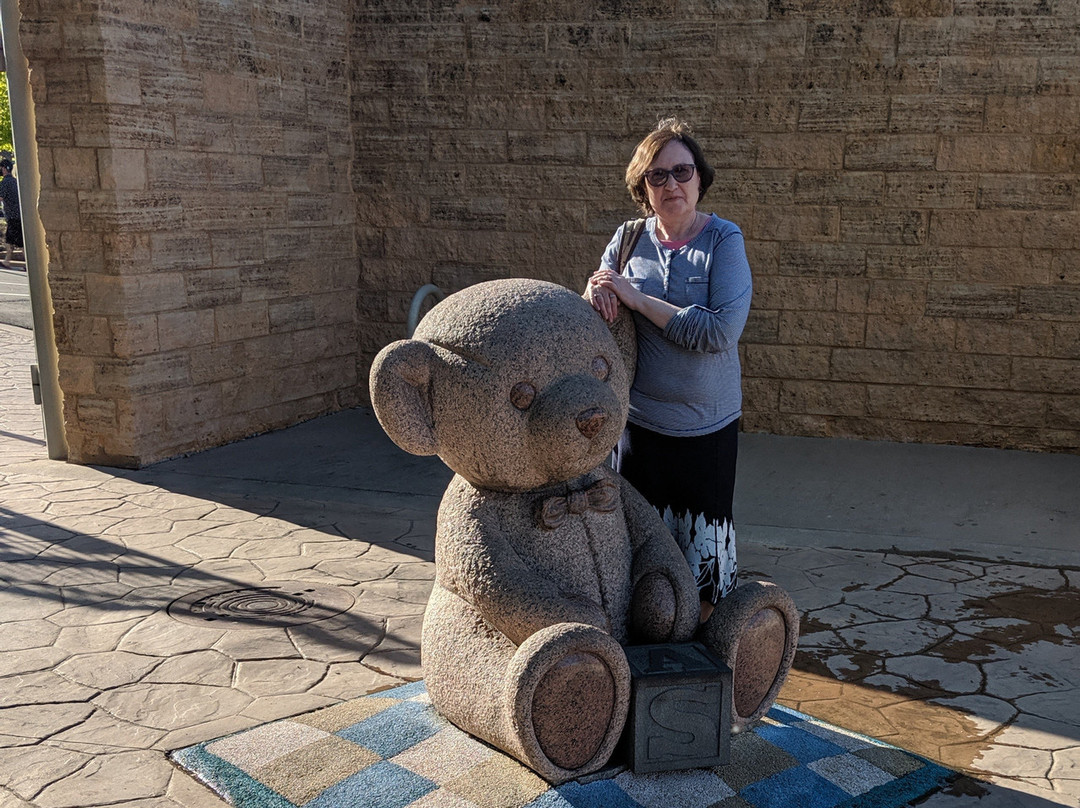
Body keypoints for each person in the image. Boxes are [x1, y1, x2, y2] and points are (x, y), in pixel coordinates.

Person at [585, 117, 752, 624]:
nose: (671, 184)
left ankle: (701, 663)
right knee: (639, 549)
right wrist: (596, 292)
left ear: (700, 179)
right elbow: (599, 307)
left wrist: (637, 298)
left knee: (702, 563)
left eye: (682, 171)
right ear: (644, 188)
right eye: (658, 176)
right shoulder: (629, 239)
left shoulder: (723, 241)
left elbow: (718, 332)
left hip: (706, 427)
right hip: (638, 426)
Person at [0, 158, 23, 269]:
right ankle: (7, 261)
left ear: (4, 169)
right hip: (18, 215)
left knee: (19, 242)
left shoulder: (5, 182)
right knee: (10, 240)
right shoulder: (15, 182)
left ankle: (30, 264)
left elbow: (1, 197)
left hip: (12, 216)